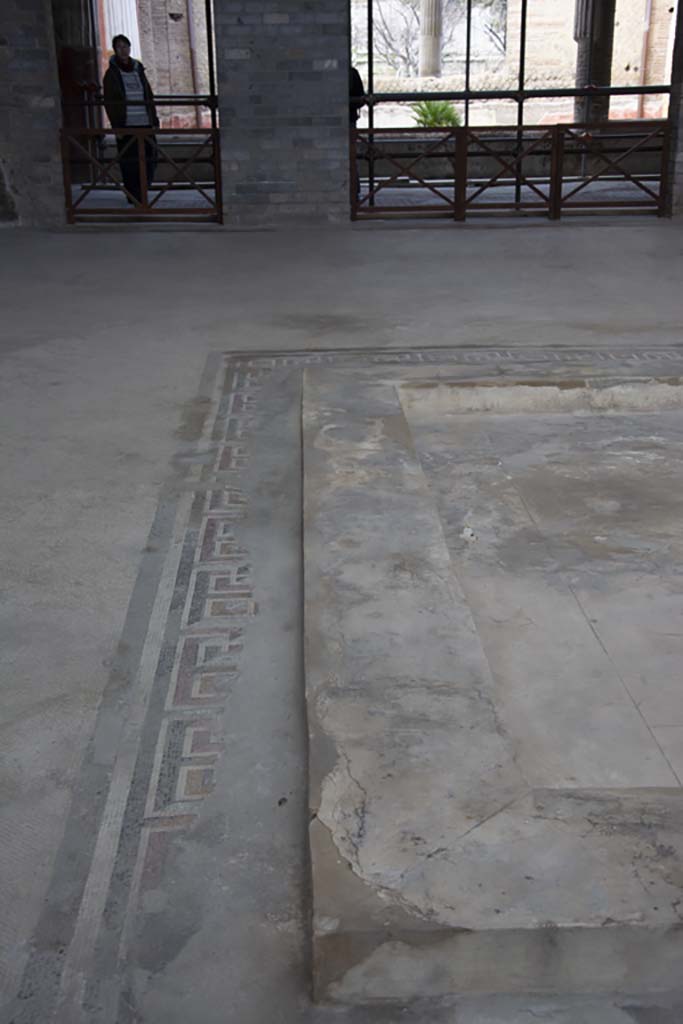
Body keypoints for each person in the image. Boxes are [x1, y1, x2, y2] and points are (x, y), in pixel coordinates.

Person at [103, 35, 158, 204]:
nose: (123, 50)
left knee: (150, 159)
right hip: (126, 125)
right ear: (115, 50)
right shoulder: (111, 74)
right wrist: (116, 127)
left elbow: (148, 95)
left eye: (125, 46)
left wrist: (154, 119)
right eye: (119, 47)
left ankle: (143, 190)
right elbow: (110, 102)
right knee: (129, 163)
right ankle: (134, 195)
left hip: (145, 123)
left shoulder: (138, 69)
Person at [349, 67, 367, 202]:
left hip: (348, 120)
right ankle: (354, 193)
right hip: (349, 120)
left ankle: (354, 192)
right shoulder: (351, 72)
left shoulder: (351, 73)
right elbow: (360, 98)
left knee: (350, 157)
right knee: (350, 157)